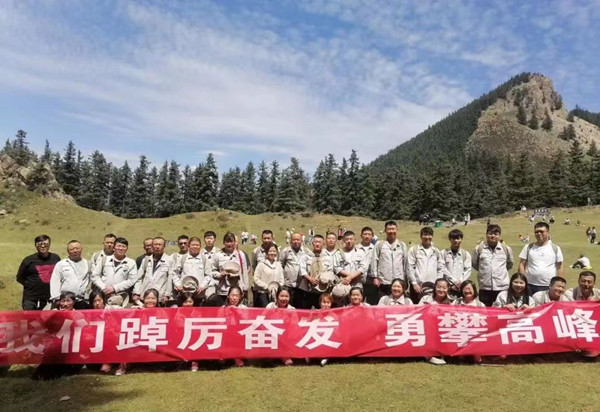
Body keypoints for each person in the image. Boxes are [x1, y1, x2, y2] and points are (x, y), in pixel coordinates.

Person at [116, 288, 160, 376]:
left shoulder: (162, 311)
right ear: (143, 299)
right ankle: (123, 365)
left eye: (153, 298)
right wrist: (133, 311)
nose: (150, 301)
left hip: (154, 339)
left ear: (157, 300)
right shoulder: (137, 309)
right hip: (139, 338)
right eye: (148, 298)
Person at [472, 224, 514, 307]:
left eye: (496, 234)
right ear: (486, 234)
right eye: (490, 233)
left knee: (502, 310)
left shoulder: (506, 249)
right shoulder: (479, 248)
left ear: (499, 235)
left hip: (502, 288)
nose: (493, 236)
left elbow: (509, 264)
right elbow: (475, 264)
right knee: (484, 311)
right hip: (485, 288)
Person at [16, 235, 61, 310]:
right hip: (31, 298)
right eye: (40, 244)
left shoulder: (55, 258)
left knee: (46, 317)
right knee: (30, 317)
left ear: (49, 244)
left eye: (45, 244)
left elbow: (59, 274)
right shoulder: (28, 260)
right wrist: (31, 285)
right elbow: (19, 277)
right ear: (35, 245)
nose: (43, 246)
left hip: (49, 297)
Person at [518, 222, 564, 295]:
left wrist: (560, 285)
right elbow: (521, 264)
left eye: (541, 231)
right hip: (529, 285)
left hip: (548, 286)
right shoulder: (528, 247)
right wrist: (521, 282)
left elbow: (560, 267)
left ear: (548, 233)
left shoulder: (555, 248)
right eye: (536, 232)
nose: (539, 234)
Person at [91, 237, 138, 304]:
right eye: (118, 246)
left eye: (123, 246)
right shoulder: (104, 259)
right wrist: (104, 288)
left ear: (127, 249)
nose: (121, 248)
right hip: (103, 296)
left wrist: (114, 288)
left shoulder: (131, 263)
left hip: (120, 298)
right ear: (114, 248)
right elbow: (94, 276)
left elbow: (132, 280)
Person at [371, 221, 408, 303]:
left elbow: (405, 263)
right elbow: (374, 261)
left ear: (397, 230)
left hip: (399, 282)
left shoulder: (402, 245)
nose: (391, 231)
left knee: (398, 304)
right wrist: (375, 277)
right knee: (383, 304)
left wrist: (406, 279)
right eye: (389, 229)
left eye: (393, 229)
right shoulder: (379, 245)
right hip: (384, 282)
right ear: (385, 230)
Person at [171, 237, 215, 305]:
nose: (195, 247)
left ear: (200, 246)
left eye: (197, 245)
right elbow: (175, 273)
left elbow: (208, 275)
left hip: (199, 295)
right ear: (189, 246)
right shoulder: (182, 258)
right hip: (184, 295)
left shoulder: (204, 259)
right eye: (193, 245)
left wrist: (203, 286)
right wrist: (178, 284)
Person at [132, 237, 175, 307]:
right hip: (145, 296)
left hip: (160, 297)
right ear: (152, 246)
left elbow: (170, 279)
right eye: (155, 244)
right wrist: (136, 293)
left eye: (160, 244)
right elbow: (139, 278)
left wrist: (167, 295)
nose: (157, 247)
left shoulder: (169, 260)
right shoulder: (146, 260)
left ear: (164, 246)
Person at [407, 227, 445, 302]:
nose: (427, 237)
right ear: (421, 236)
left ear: (432, 236)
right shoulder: (414, 250)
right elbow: (410, 268)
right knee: (417, 307)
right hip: (418, 287)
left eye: (429, 235)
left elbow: (440, 269)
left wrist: (437, 284)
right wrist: (414, 284)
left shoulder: (436, 251)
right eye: (425, 235)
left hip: (433, 287)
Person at [211, 232, 249, 306]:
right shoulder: (218, 255)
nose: (229, 244)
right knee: (222, 311)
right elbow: (213, 271)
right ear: (223, 242)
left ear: (234, 242)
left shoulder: (240, 255)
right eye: (227, 242)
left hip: (237, 291)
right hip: (223, 291)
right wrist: (220, 275)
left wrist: (245, 288)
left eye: (231, 242)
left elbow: (244, 271)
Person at [49, 240, 90, 309]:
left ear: (81, 249)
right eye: (72, 249)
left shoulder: (88, 264)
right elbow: (55, 281)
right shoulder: (61, 264)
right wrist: (56, 298)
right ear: (68, 251)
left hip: (82, 301)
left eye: (77, 248)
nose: (75, 251)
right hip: (65, 302)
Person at [419, 278, 451, 365]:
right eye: (439, 287)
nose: (441, 290)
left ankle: (443, 353)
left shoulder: (451, 301)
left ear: (448, 289)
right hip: (427, 326)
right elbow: (418, 312)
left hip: (443, 327)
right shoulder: (426, 299)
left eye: (444, 288)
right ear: (435, 288)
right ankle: (429, 356)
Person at [332, 231, 369, 303]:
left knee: (357, 304)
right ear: (343, 240)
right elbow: (336, 267)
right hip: (343, 283)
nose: (349, 241)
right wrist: (349, 276)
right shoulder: (338, 253)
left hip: (357, 284)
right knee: (343, 305)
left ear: (354, 240)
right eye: (347, 239)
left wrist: (351, 277)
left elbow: (363, 267)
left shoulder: (361, 252)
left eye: (351, 239)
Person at [280, 232, 311, 308]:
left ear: (301, 240)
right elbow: (281, 265)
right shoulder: (285, 251)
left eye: (298, 239)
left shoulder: (307, 252)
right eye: (294, 240)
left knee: (301, 308)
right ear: (291, 241)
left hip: (302, 286)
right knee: (288, 308)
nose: (296, 241)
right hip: (289, 285)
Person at [266, 286, 294, 366]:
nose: (284, 299)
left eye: (286, 296)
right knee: (267, 359)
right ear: (277, 296)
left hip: (286, 336)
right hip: (271, 335)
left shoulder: (292, 309)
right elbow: (262, 319)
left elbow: (294, 326)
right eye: (282, 296)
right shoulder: (270, 306)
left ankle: (283, 356)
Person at [440, 229, 471, 297]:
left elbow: (468, 270)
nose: (456, 241)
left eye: (458, 238)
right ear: (450, 239)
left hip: (461, 288)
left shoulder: (466, 254)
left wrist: (460, 282)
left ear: (461, 239)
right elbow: (442, 268)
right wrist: (454, 281)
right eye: (453, 238)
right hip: (447, 288)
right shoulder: (443, 253)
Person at [253, 243, 284, 308]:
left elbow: (282, 279)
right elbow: (256, 278)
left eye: (274, 251)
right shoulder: (261, 264)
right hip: (263, 294)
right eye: (270, 251)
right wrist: (267, 287)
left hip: (276, 294)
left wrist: (277, 288)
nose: (272, 253)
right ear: (266, 252)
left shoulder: (278, 265)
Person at [356, 227, 376, 304]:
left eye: (369, 234)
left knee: (372, 304)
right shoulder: (355, 248)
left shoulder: (376, 249)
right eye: (365, 234)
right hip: (358, 282)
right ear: (361, 235)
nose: (367, 236)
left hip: (372, 282)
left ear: (372, 236)